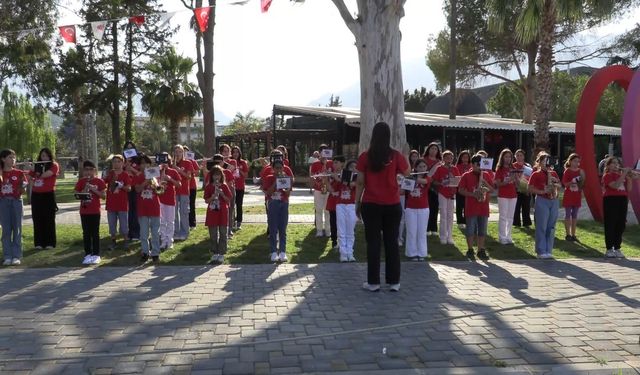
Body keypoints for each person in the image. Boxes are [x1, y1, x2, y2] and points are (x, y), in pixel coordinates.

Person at [356, 122, 410, 292]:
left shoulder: (365, 156)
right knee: (391, 243)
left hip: (371, 204)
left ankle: (373, 282)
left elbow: (360, 182)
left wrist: (357, 202)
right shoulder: (395, 155)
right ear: (389, 136)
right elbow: (407, 172)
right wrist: (406, 154)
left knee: (373, 243)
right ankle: (394, 282)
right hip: (392, 204)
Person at [458, 154, 495, 261]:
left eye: (482, 164)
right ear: (473, 164)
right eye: (478, 164)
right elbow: (460, 190)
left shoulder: (486, 175)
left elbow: (492, 190)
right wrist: (472, 194)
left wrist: (485, 183)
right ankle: (470, 249)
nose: (480, 167)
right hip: (471, 206)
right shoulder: (466, 175)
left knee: (482, 230)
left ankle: (481, 250)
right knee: (470, 229)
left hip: (483, 206)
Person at [528, 152, 561, 259]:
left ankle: (548, 250)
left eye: (548, 160)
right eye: (544, 160)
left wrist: (555, 183)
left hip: (554, 200)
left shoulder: (554, 173)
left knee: (551, 226)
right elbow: (529, 188)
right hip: (542, 200)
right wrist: (541, 191)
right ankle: (541, 251)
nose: (547, 163)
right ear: (540, 162)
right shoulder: (536, 174)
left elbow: (560, 185)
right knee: (541, 226)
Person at [74, 160, 107, 265]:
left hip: (95, 211)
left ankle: (96, 255)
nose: (88, 172)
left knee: (95, 233)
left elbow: (103, 196)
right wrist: (85, 188)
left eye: (90, 170)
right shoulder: (81, 181)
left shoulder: (99, 181)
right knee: (86, 233)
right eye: (86, 170)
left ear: (94, 170)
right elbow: (76, 195)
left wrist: (93, 189)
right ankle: (87, 254)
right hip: (84, 211)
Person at [133, 154, 162, 264]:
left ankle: (155, 253)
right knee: (144, 233)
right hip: (142, 208)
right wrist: (146, 181)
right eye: (142, 163)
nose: (144, 165)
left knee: (155, 232)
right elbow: (137, 189)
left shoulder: (155, 175)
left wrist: (155, 183)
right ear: (139, 166)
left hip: (154, 207)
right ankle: (145, 252)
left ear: (150, 164)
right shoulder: (137, 176)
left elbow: (160, 191)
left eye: (146, 163)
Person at [28, 147, 59, 250]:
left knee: (49, 218)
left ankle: (50, 243)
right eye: (42, 155)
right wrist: (32, 174)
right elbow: (30, 178)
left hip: (48, 195)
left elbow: (46, 175)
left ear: (50, 156)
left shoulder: (54, 165)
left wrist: (35, 170)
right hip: (36, 195)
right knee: (37, 218)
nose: (43, 157)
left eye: (46, 155)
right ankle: (39, 243)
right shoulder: (37, 166)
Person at [263, 159, 293, 262]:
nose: (279, 170)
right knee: (273, 228)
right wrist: (276, 182)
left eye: (280, 168)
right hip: (273, 203)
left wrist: (286, 186)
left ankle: (283, 252)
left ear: (283, 168)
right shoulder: (269, 178)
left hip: (284, 203)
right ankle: (273, 252)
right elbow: (268, 193)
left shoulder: (286, 177)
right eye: (276, 168)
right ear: (273, 169)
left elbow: (288, 194)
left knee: (283, 228)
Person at [601, 156, 632, 258]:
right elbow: (615, 186)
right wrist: (624, 174)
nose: (616, 165)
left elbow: (629, 189)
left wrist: (629, 178)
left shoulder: (621, 175)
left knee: (621, 224)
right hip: (611, 200)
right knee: (611, 224)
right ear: (608, 165)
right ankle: (609, 249)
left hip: (622, 199)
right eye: (613, 163)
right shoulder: (607, 175)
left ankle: (617, 248)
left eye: (617, 163)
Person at [1, 149, 26, 266]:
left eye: (14, 157)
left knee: (17, 229)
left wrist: (22, 188)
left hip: (16, 202)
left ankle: (16, 256)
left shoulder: (19, 173)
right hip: (3, 202)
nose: (13, 160)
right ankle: (7, 256)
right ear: (3, 159)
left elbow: (24, 187)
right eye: (10, 157)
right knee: (6, 230)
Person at [204, 165, 232, 264]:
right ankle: (214, 252)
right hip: (212, 212)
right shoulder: (208, 186)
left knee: (223, 232)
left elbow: (229, 199)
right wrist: (213, 196)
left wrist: (222, 193)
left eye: (218, 175)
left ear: (221, 176)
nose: (217, 177)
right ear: (212, 176)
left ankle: (221, 253)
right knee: (213, 234)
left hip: (223, 211)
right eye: (215, 175)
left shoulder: (224, 186)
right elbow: (206, 200)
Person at [404, 158, 431, 261]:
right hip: (410, 208)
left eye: (424, 167)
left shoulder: (427, 178)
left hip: (424, 208)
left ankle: (422, 253)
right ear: (415, 167)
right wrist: (402, 180)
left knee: (421, 231)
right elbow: (402, 191)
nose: (422, 168)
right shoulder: (410, 178)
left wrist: (411, 178)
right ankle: (411, 253)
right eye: (420, 167)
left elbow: (423, 181)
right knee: (411, 231)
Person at [103, 154, 131, 250]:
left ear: (123, 163)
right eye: (114, 162)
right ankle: (113, 241)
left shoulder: (125, 174)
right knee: (112, 224)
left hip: (122, 204)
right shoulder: (110, 173)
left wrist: (121, 186)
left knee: (124, 225)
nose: (116, 163)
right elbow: (103, 183)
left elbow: (129, 188)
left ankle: (126, 241)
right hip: (111, 204)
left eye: (118, 161)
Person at [432, 150, 460, 245]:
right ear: (443, 158)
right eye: (447, 158)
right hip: (442, 193)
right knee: (443, 214)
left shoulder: (455, 169)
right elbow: (434, 181)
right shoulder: (439, 169)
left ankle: (450, 236)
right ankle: (443, 236)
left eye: (451, 158)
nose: (449, 160)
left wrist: (454, 181)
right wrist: (441, 183)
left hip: (451, 194)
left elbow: (458, 180)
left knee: (450, 215)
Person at [157, 153, 181, 251]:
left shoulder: (173, 171)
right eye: (162, 162)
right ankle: (163, 241)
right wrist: (160, 177)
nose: (164, 164)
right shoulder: (156, 172)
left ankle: (170, 241)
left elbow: (179, 184)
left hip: (170, 199)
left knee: (170, 221)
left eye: (166, 162)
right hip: (159, 199)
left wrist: (170, 179)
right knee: (162, 222)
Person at [335, 160, 357, 262]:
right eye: (351, 167)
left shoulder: (358, 177)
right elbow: (331, 187)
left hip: (351, 205)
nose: (353, 168)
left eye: (355, 167)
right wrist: (330, 177)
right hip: (340, 205)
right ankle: (343, 254)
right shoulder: (341, 175)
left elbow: (353, 184)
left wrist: (339, 179)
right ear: (347, 168)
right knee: (341, 230)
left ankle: (350, 253)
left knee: (350, 231)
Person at [494, 148, 518, 245]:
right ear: (502, 158)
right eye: (506, 157)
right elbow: (498, 184)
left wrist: (517, 180)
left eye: (510, 157)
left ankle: (508, 236)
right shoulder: (499, 169)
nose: (508, 159)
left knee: (510, 217)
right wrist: (507, 181)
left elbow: (517, 184)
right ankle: (502, 237)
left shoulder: (514, 169)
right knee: (503, 216)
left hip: (513, 195)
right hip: (503, 195)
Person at [310, 144, 334, 237]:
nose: (324, 154)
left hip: (328, 190)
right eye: (322, 152)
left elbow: (335, 174)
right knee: (319, 210)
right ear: (319, 153)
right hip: (318, 190)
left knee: (328, 210)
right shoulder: (315, 164)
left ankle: (328, 230)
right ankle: (319, 230)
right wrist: (316, 183)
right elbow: (312, 176)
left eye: (326, 151)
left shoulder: (331, 163)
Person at [561, 153, 585, 242]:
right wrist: (572, 181)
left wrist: (581, 184)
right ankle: (568, 234)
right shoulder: (567, 171)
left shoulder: (581, 171)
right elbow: (565, 184)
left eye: (578, 162)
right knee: (568, 214)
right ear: (570, 161)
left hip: (576, 195)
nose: (576, 163)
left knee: (575, 215)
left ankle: (574, 234)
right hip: (569, 194)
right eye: (575, 161)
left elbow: (582, 184)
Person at [172, 145, 194, 241]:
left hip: (184, 191)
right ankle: (176, 232)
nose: (177, 154)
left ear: (183, 153)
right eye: (176, 152)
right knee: (174, 212)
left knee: (184, 212)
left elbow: (189, 177)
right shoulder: (171, 164)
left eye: (179, 152)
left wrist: (178, 170)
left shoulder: (187, 163)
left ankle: (185, 232)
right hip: (174, 191)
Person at [423, 142, 442, 236]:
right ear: (428, 149)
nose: (433, 150)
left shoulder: (440, 162)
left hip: (436, 187)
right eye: (432, 148)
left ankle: (434, 228)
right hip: (425, 187)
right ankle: (426, 228)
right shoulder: (423, 160)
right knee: (427, 208)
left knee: (435, 208)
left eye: (435, 149)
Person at [123, 141, 141, 241]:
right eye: (127, 148)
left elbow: (141, 174)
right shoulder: (122, 161)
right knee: (129, 211)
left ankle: (137, 233)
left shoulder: (138, 161)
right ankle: (130, 232)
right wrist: (125, 166)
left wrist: (132, 169)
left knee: (136, 211)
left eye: (131, 148)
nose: (129, 150)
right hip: (126, 189)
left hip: (136, 188)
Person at [219, 144, 237, 237]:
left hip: (230, 189)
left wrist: (222, 164)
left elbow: (232, 169)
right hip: (219, 189)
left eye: (228, 151)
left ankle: (229, 229)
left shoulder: (232, 161)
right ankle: (220, 229)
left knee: (230, 210)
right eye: (224, 151)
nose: (227, 153)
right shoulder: (217, 162)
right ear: (221, 153)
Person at [513, 149, 532, 227]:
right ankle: (516, 223)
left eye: (521, 155)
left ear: (524, 156)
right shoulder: (513, 166)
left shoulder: (528, 166)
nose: (519, 157)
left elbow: (531, 177)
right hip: (516, 189)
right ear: (515, 157)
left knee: (526, 207)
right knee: (516, 207)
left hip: (526, 189)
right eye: (517, 155)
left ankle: (526, 223)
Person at [231, 146, 249, 230]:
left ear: (239, 153)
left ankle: (239, 222)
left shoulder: (243, 162)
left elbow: (246, 175)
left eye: (237, 152)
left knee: (239, 204)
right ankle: (231, 222)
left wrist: (239, 169)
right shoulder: (229, 162)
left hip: (240, 187)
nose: (235, 154)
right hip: (231, 186)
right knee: (231, 205)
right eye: (234, 152)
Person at [183, 145, 199, 231]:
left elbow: (197, 173)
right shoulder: (179, 162)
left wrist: (191, 165)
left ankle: (192, 223)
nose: (185, 153)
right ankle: (184, 223)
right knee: (183, 206)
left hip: (192, 186)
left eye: (186, 152)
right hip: (182, 187)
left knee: (191, 205)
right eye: (183, 152)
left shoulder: (192, 161)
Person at [455, 150, 471, 227]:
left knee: (467, 206)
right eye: (463, 157)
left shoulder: (471, 166)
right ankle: (460, 221)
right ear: (460, 158)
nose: (465, 159)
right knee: (459, 206)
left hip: (468, 189)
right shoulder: (457, 166)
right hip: (459, 189)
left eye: (467, 157)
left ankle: (466, 221)